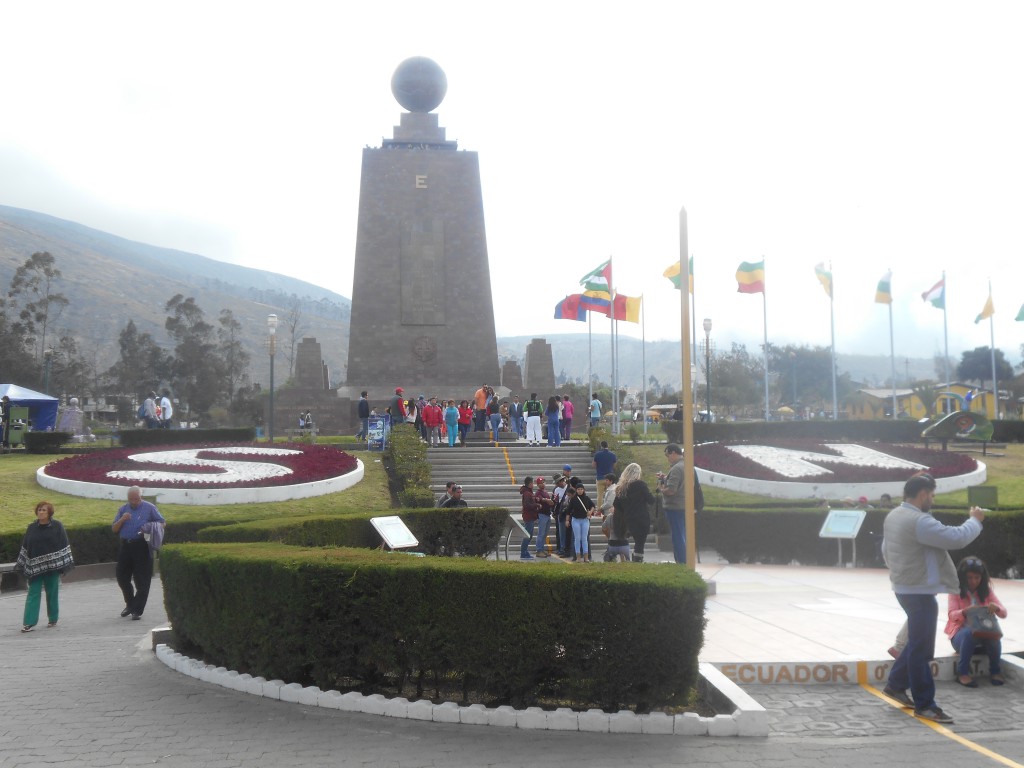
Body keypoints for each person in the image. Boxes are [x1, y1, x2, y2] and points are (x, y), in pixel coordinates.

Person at [881, 473, 984, 724]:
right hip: (918, 592)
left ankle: (895, 685)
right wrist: (975, 521)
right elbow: (955, 537)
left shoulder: (894, 515)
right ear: (924, 493)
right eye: (933, 495)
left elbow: (885, 549)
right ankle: (925, 705)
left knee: (917, 643)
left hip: (906, 588)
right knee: (922, 649)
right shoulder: (918, 521)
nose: (933, 500)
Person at [946, 556, 1007, 687]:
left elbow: (1003, 613)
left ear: (982, 578)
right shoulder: (955, 591)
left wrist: (996, 608)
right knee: (969, 633)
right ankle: (962, 674)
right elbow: (951, 615)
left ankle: (995, 672)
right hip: (960, 637)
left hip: (983, 635)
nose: (973, 581)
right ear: (962, 577)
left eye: (977, 578)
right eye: (969, 578)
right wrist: (964, 611)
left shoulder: (987, 591)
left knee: (994, 637)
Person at [16, 501, 74, 632]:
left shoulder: (57, 526)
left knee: (52, 592)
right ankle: (29, 623)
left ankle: (53, 618)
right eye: (39, 510)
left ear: (49, 513)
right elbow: (26, 545)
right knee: (33, 593)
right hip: (34, 567)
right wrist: (23, 562)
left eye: (44, 510)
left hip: (52, 566)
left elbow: (63, 544)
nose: (41, 512)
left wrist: (61, 563)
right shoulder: (31, 527)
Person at [112, 486, 167, 620]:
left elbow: (162, 523)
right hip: (126, 545)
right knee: (121, 577)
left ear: (140, 497)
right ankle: (130, 604)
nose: (134, 501)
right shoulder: (123, 509)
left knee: (142, 580)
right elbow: (114, 529)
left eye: (136, 499)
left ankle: (137, 610)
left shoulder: (149, 508)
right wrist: (122, 519)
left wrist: (149, 528)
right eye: (131, 499)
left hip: (142, 545)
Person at [614, 462, 656, 563]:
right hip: (642, 518)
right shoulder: (641, 485)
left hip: (629, 519)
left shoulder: (621, 487)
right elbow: (651, 500)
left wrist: (626, 510)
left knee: (638, 542)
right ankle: (637, 560)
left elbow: (616, 504)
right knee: (640, 543)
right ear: (637, 473)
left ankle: (636, 558)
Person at [658, 443, 690, 565]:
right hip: (684, 506)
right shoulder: (685, 465)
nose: (668, 459)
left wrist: (661, 489)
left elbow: (671, 490)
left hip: (675, 507)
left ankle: (681, 562)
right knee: (682, 536)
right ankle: (684, 561)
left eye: (668, 455)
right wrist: (666, 478)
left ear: (673, 453)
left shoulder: (676, 468)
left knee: (678, 538)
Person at [567, 481, 596, 562]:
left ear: (584, 490)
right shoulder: (573, 499)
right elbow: (568, 511)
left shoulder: (587, 498)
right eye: (578, 489)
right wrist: (567, 520)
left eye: (581, 489)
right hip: (575, 520)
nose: (580, 491)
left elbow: (593, 506)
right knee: (577, 538)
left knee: (584, 538)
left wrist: (590, 512)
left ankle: (586, 557)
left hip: (585, 520)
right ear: (576, 490)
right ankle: (578, 557)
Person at [519, 476, 540, 560]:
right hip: (529, 517)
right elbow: (527, 505)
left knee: (529, 535)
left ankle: (525, 551)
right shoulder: (527, 493)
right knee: (527, 535)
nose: (534, 484)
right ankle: (523, 553)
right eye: (533, 483)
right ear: (530, 483)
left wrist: (536, 500)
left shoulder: (528, 492)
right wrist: (537, 505)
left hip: (530, 516)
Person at [533, 476, 555, 557]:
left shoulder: (545, 492)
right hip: (542, 514)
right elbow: (540, 499)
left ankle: (542, 549)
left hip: (547, 514)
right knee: (541, 533)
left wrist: (551, 502)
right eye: (541, 483)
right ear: (538, 484)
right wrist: (547, 500)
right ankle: (539, 550)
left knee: (545, 533)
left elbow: (550, 501)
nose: (543, 484)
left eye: (544, 482)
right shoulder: (538, 492)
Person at [592, 441, 618, 506]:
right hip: (610, 479)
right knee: (610, 495)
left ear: (601, 446)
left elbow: (593, 465)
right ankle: (609, 509)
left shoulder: (597, 454)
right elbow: (614, 466)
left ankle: (599, 510)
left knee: (600, 496)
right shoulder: (613, 455)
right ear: (607, 446)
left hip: (600, 478)